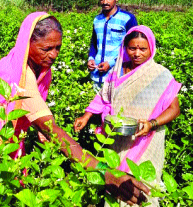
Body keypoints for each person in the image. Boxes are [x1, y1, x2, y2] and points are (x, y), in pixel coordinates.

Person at [0, 12, 150, 205]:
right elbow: (52, 130)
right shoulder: (19, 75)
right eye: (46, 48)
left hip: (5, 128)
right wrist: (106, 173)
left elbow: (33, 109)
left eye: (57, 47)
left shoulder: (40, 67)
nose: (53, 54)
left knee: (10, 181)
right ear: (27, 44)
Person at [74, 25, 181, 206]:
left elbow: (174, 109)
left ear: (151, 48)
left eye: (142, 49)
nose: (137, 53)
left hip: (146, 139)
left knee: (142, 186)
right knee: (116, 181)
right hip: (117, 137)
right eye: (132, 48)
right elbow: (103, 97)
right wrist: (86, 116)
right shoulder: (117, 71)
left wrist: (151, 123)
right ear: (125, 48)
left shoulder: (160, 75)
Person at [88, 0, 137, 90]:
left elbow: (133, 47)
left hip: (118, 76)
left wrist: (110, 63)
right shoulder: (97, 20)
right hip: (96, 77)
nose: (105, 2)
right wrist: (91, 59)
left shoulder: (128, 19)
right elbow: (94, 44)